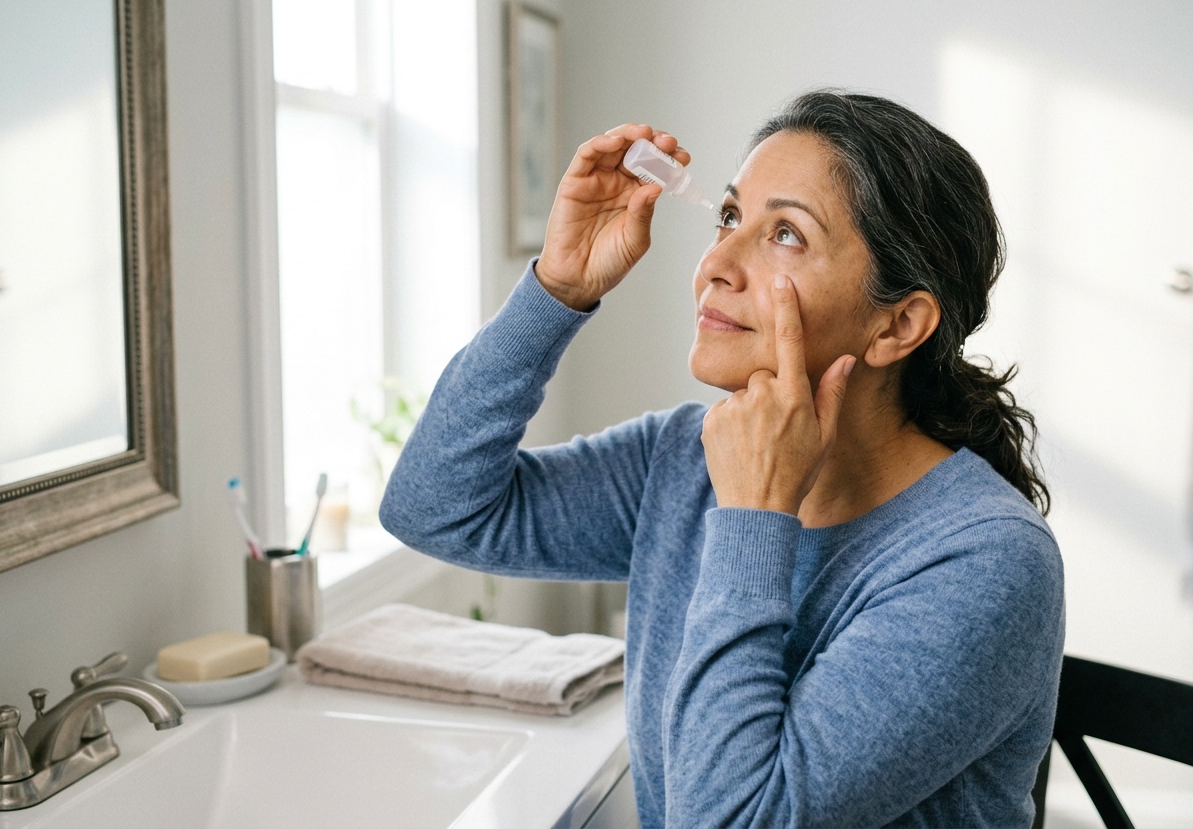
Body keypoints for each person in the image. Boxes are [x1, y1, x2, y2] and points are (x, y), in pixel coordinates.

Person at [380, 90, 1064, 827]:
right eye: (731, 217)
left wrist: (755, 515)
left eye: (787, 235)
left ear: (897, 325)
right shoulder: (683, 460)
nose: (716, 263)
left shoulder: (986, 561)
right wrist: (557, 289)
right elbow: (433, 508)